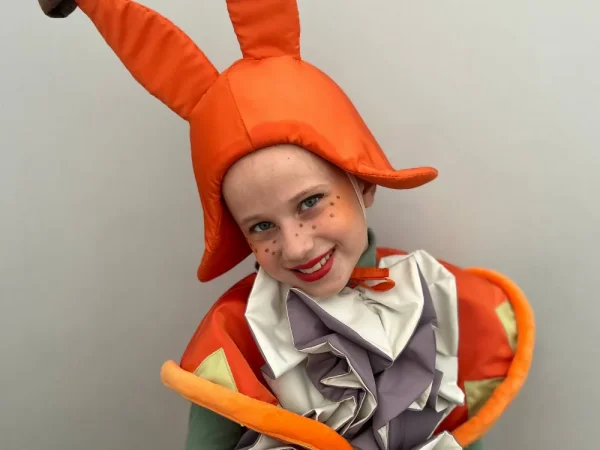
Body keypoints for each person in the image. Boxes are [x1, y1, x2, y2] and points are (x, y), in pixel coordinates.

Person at [39, 1, 536, 449]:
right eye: (261, 227)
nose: (296, 247)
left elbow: (456, 427)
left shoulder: (435, 294)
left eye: (310, 203)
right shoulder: (237, 337)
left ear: (364, 183)